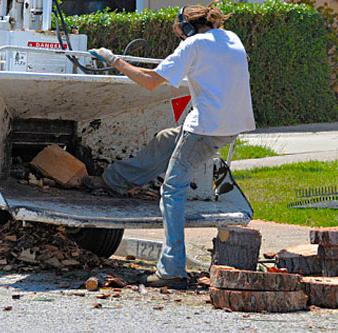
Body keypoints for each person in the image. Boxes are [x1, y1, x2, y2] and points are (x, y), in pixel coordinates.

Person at [86, 2, 256, 289]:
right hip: (232, 125)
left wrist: (114, 59)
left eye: (181, 32)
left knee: (172, 190)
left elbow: (150, 82)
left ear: (188, 28)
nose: (181, 37)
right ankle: (114, 180)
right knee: (167, 139)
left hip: (205, 128)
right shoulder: (231, 38)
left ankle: (172, 269)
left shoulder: (193, 46)